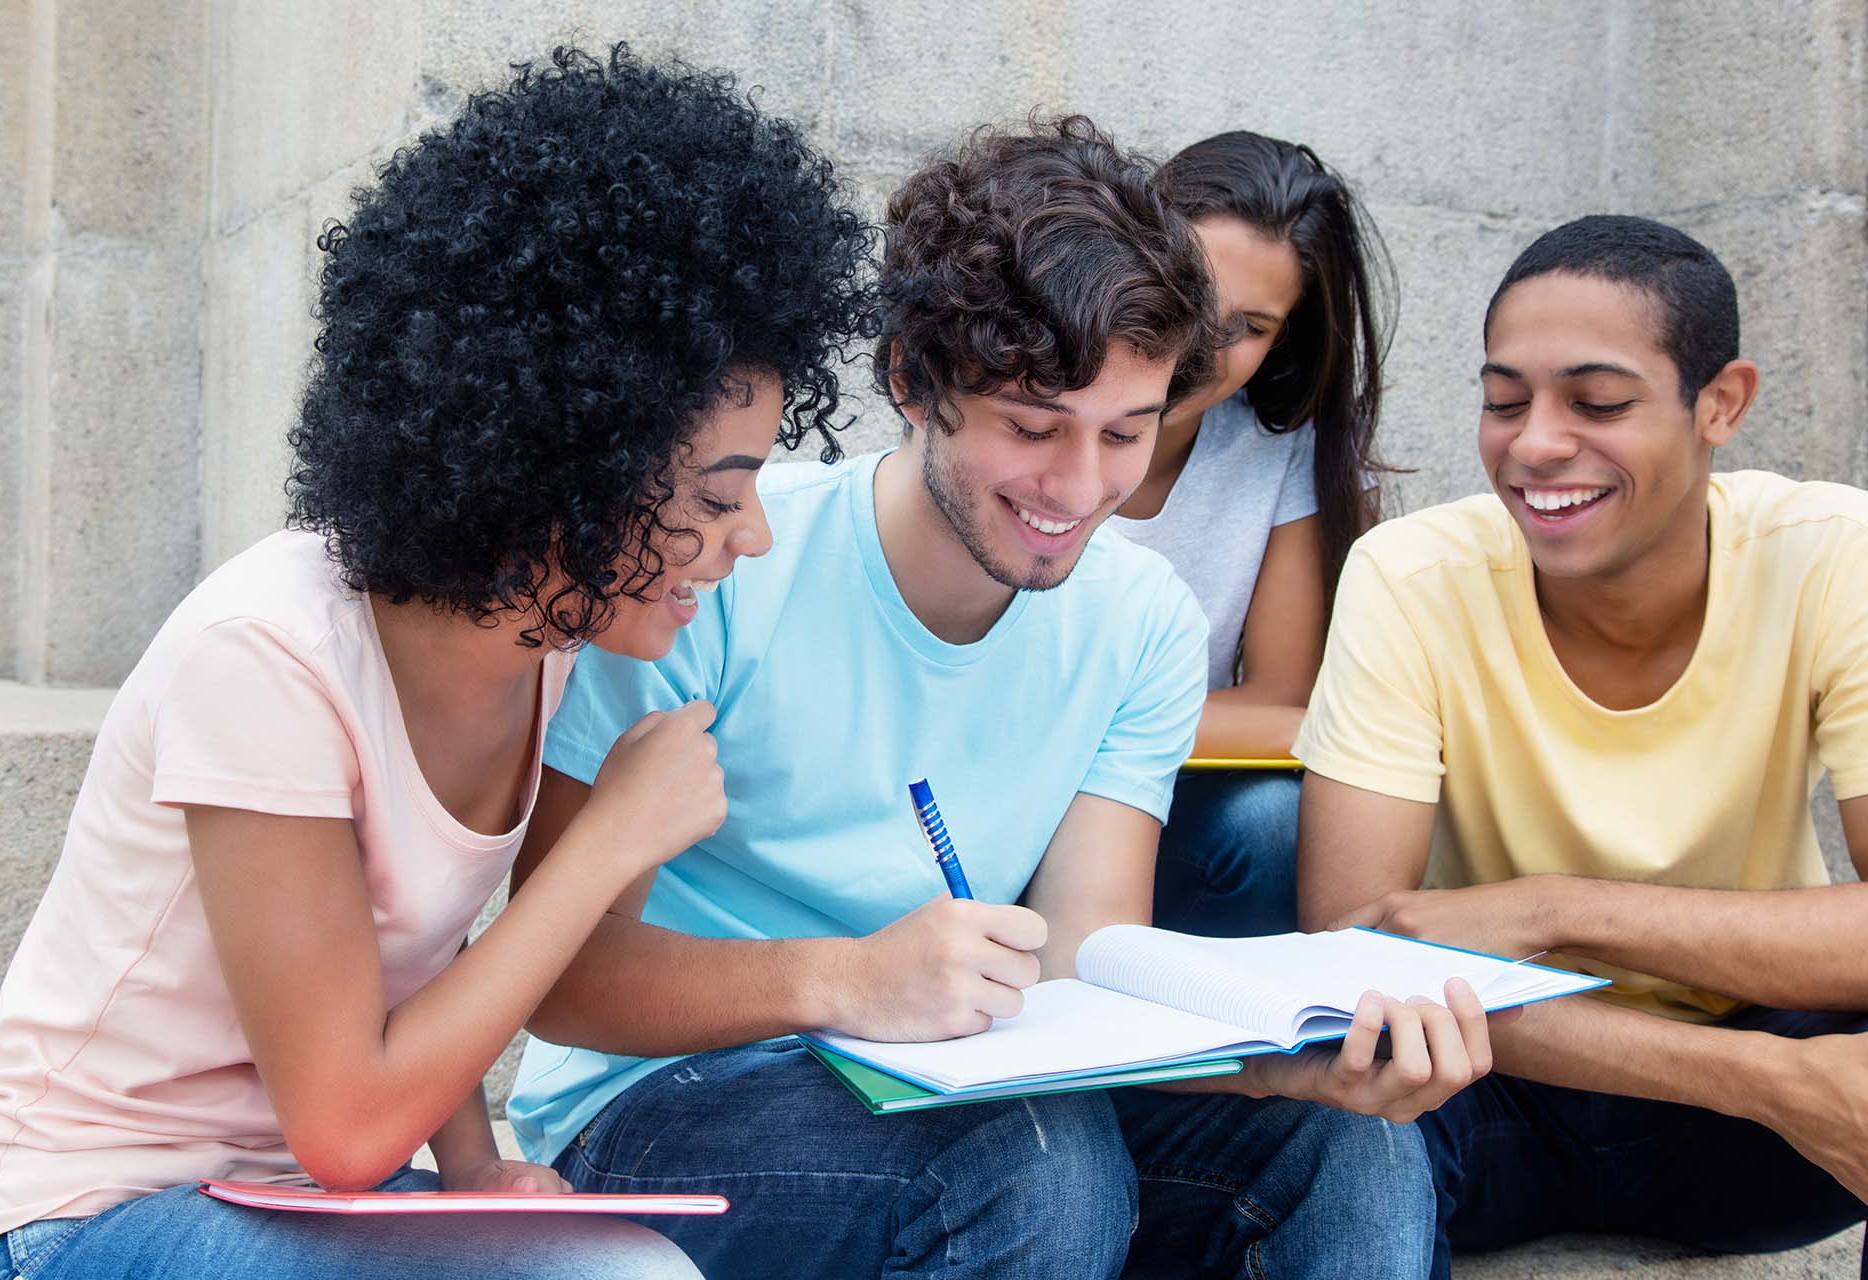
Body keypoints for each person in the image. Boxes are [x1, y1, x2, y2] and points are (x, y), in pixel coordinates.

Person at [507, 116, 1493, 1280]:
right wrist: (843, 978)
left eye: (1126, 432)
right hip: (664, 1098)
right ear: (912, 383)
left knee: (1352, 1145)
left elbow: (1081, 970)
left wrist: (1279, 1063)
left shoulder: (1143, 624)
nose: (1080, 490)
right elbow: (559, 978)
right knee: (1032, 1156)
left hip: (960, 1073)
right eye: (1034, 428)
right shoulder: (717, 562)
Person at [0, 45, 871, 1280]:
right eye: (717, 495)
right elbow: (343, 1125)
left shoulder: (546, 642)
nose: (750, 536)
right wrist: (608, 841)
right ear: (568, 463)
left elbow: (405, 969)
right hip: (77, 1216)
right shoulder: (266, 659)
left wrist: (480, 1166)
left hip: (312, 1196)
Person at [1291, 214, 1868, 1275]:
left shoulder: (1832, 556)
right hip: (1488, 1083)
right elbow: (1354, 963)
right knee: (1336, 1110)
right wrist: (1766, 1080)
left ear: (1721, 404)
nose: (1536, 443)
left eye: (1598, 402)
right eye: (1504, 401)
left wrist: (1557, 908)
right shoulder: (1410, 575)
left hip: (1762, 1134)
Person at [1110, 131, 1395, 937]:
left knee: (1276, 822)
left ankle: (1210, 1058)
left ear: (1284, 344)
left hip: (1157, 796)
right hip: (989, 788)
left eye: (1250, 325)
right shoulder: (1029, 409)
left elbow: (1284, 706)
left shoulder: (1278, 453)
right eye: (1187, 290)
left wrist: (1077, 719)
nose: (1201, 340)